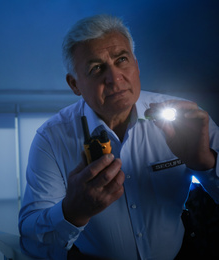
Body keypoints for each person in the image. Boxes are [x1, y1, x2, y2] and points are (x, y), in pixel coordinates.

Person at [18, 14, 219, 260]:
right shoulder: (51, 139)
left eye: (121, 59)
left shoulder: (187, 119)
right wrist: (72, 212)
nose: (114, 78)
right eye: (96, 68)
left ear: (136, 63)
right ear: (75, 85)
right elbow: (30, 242)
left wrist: (206, 163)